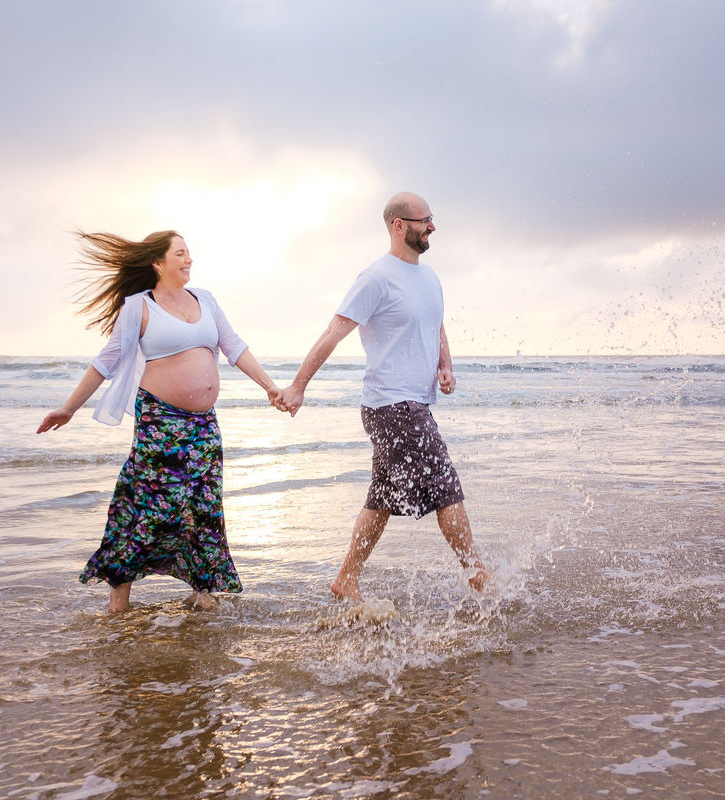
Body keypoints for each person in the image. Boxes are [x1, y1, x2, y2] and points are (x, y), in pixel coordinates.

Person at [37, 230, 284, 613]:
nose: (188, 260)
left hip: (204, 425)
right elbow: (106, 361)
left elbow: (233, 345)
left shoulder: (206, 299)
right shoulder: (139, 307)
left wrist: (271, 387)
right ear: (158, 262)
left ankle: (202, 592)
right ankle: (119, 596)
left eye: (189, 253)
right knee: (148, 504)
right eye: (180, 253)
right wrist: (69, 408)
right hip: (159, 421)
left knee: (202, 504)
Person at [277, 192, 489, 602]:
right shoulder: (376, 278)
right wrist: (299, 386)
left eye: (432, 218)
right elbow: (334, 332)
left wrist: (445, 366)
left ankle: (346, 578)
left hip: (412, 403)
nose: (432, 226)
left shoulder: (430, 278)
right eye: (424, 220)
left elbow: (436, 325)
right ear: (399, 225)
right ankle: (478, 576)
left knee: (382, 498)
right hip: (391, 405)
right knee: (446, 487)